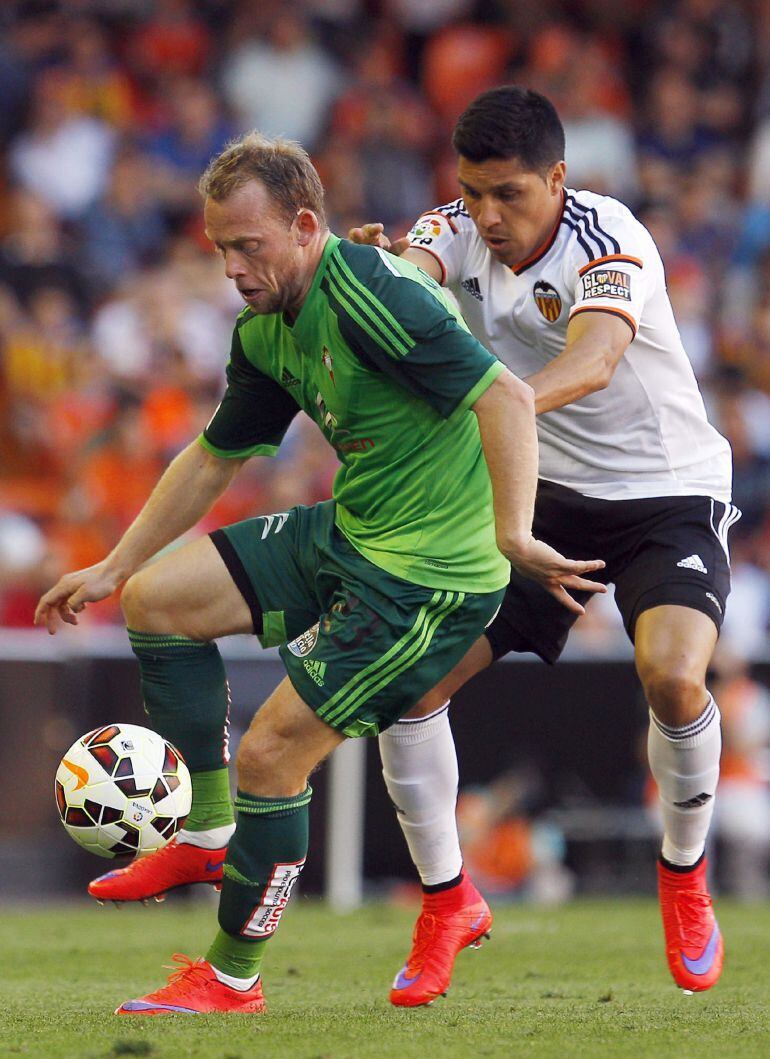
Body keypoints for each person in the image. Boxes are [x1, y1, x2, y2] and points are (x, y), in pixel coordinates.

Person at [35, 132, 604, 1016]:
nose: (230, 266)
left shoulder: (369, 294)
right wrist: (115, 562)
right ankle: (211, 830)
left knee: (272, 751)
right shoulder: (265, 328)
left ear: (305, 226)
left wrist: (515, 532)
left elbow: (506, 395)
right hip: (353, 531)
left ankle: (230, 977)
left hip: (428, 576)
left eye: (247, 245)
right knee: (153, 600)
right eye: (219, 247)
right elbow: (215, 455)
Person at [349, 85, 737, 1003]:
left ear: (558, 178)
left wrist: (493, 410)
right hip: (544, 497)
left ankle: (685, 876)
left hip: (665, 491)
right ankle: (447, 902)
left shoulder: (610, 240)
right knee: (408, 689)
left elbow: (595, 361)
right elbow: (409, 287)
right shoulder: (451, 228)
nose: (488, 215)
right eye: (473, 191)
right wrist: (369, 272)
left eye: (510, 194)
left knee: (675, 678)